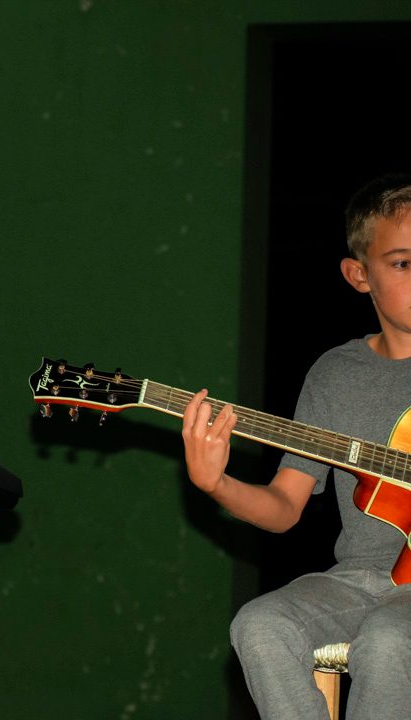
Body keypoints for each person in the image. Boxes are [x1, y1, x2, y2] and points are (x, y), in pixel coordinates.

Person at [181, 174, 411, 719]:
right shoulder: (336, 374)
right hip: (359, 579)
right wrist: (216, 482)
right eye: (403, 263)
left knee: (387, 640)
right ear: (359, 275)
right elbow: (285, 507)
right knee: (259, 624)